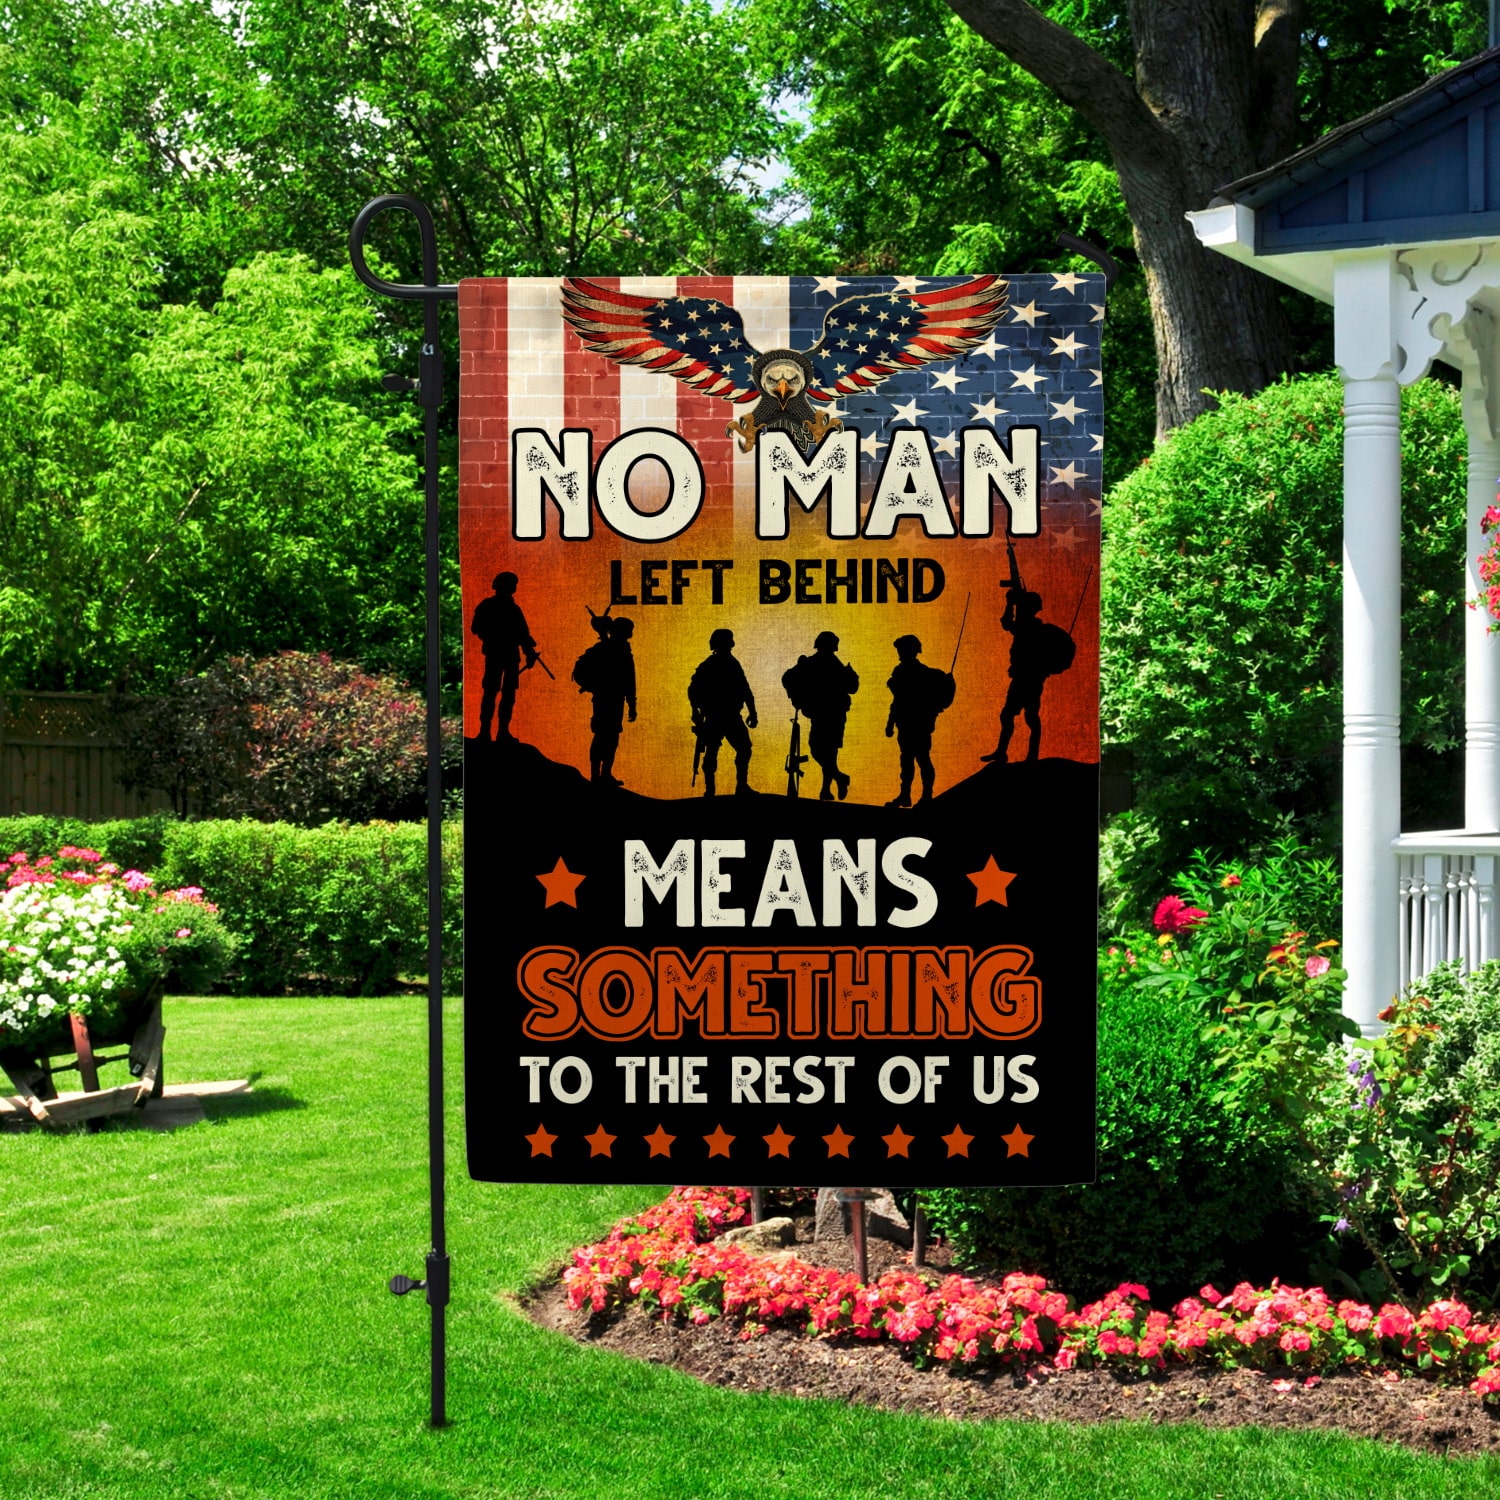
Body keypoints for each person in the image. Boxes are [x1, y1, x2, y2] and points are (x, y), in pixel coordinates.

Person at [982, 586, 1075, 764]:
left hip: (1030, 679)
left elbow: (1007, 623)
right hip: (1022, 677)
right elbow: (1008, 624)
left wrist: (1010, 603)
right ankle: (1004, 752)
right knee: (1011, 715)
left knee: (1029, 717)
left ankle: (1029, 755)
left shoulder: (1031, 628)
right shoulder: (1029, 627)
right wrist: (1011, 603)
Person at [781, 630, 858, 801]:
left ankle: (826, 789)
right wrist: (796, 697)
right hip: (823, 714)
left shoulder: (829, 664)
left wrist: (797, 697)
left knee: (825, 751)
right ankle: (836, 779)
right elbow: (787, 678)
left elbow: (852, 687)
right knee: (821, 750)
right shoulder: (813, 663)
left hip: (831, 714)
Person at [884, 634, 955, 807]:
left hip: (919, 724)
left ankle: (926, 796)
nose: (899, 653)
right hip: (904, 723)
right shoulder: (900, 671)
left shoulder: (924, 674)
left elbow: (901, 699)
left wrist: (891, 723)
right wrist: (890, 723)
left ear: (912, 651)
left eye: (902, 650)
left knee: (922, 759)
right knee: (906, 760)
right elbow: (897, 700)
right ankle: (905, 795)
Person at [688, 628, 758, 796]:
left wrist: (753, 712)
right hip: (721, 716)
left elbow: (744, 689)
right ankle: (718, 789)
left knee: (739, 749)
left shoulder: (718, 664)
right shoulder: (719, 664)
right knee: (725, 750)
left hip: (725, 716)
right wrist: (695, 710)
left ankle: (729, 788)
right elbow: (693, 689)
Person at [471, 571, 537, 741]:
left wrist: (529, 652)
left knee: (507, 694)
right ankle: (486, 731)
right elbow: (476, 628)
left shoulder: (513, 609)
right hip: (496, 654)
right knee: (492, 692)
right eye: (512, 584)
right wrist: (495, 634)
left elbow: (524, 635)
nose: (514, 587)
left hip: (509, 656)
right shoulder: (491, 606)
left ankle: (502, 731)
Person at [573, 617, 637, 784]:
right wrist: (631, 704)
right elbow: (629, 681)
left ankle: (605, 774)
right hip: (605, 699)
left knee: (611, 736)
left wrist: (632, 703)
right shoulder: (606, 650)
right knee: (603, 735)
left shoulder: (619, 651)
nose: (630, 634)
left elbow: (629, 681)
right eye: (628, 631)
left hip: (614, 700)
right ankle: (597, 775)